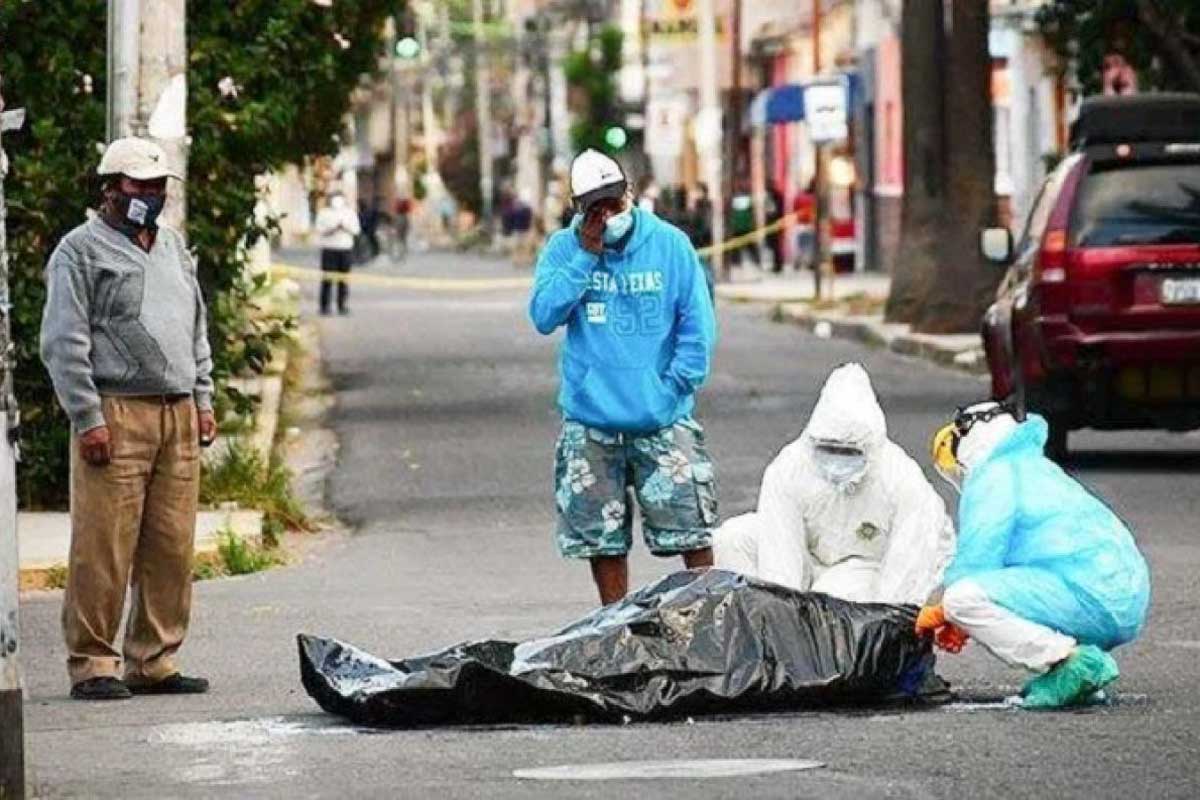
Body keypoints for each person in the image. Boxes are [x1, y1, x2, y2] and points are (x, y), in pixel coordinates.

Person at [39, 137, 217, 701]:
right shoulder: (79, 251)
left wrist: (204, 400)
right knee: (104, 545)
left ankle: (156, 660)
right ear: (111, 188)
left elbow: (196, 330)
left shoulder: (173, 248)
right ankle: (93, 662)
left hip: (177, 411)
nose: (151, 195)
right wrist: (87, 418)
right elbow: (63, 342)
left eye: (158, 186)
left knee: (171, 545)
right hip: (116, 412)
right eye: (139, 186)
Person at [529, 149, 719, 606]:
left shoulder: (670, 244)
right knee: (602, 539)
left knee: (691, 526)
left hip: (662, 417)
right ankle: (615, 620)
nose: (608, 215)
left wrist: (676, 384)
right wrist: (585, 257)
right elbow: (543, 315)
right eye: (596, 208)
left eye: (614, 203)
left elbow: (697, 321)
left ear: (629, 194)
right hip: (591, 421)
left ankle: (708, 618)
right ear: (579, 209)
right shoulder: (563, 249)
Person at [918, 402, 1151, 709]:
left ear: (968, 439)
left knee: (963, 599)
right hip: (1118, 600)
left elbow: (978, 557)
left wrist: (944, 611)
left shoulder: (995, 473)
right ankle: (1074, 678)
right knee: (976, 597)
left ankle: (1073, 662)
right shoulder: (1034, 469)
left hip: (1088, 596)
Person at [714, 363, 955, 604]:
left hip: (870, 570)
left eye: (849, 452)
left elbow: (908, 566)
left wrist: (889, 624)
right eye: (828, 449)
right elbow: (780, 549)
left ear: (871, 447)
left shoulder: (900, 478)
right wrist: (783, 615)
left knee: (832, 596)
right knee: (732, 539)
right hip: (813, 558)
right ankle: (756, 632)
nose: (837, 462)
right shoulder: (790, 468)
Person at [315, 189, 361, 316]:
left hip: (345, 249)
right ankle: (324, 306)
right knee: (327, 279)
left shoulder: (349, 213)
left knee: (343, 279)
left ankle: (342, 305)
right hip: (329, 249)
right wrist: (333, 229)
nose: (337, 201)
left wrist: (345, 227)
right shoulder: (324, 213)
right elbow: (319, 229)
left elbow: (356, 230)